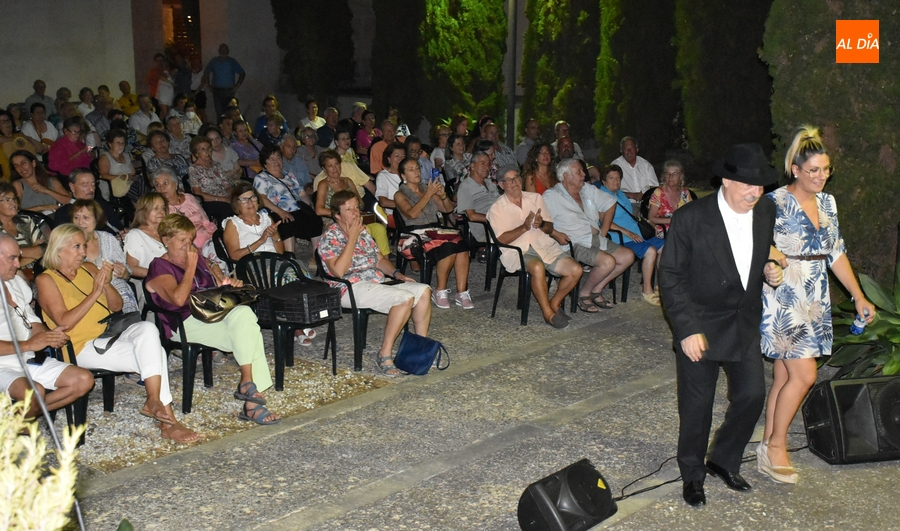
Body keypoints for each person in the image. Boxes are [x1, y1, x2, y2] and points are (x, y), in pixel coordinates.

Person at [658, 143, 784, 507]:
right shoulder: (691, 218)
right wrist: (686, 329)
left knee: (752, 396)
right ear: (726, 180)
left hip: (742, 322)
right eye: (747, 185)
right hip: (700, 324)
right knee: (697, 406)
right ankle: (692, 475)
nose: (755, 192)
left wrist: (769, 270)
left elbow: (754, 257)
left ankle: (723, 459)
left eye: (760, 185)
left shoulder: (765, 212)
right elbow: (670, 277)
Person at [758, 126, 876, 484]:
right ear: (795, 169)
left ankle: (766, 441)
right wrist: (771, 260)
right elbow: (754, 241)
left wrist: (857, 295)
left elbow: (835, 252)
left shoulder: (827, 202)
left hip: (815, 294)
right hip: (785, 293)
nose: (821, 176)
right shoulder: (773, 202)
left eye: (826, 170)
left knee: (784, 374)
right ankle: (776, 445)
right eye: (814, 170)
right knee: (805, 374)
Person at [37, 224, 199, 443]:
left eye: (84, 246)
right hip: (78, 346)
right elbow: (64, 322)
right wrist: (95, 292)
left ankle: (153, 401)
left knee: (147, 330)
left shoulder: (88, 268)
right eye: (76, 247)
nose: (83, 252)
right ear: (58, 249)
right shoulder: (46, 280)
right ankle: (167, 420)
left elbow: (116, 306)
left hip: (109, 334)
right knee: (155, 355)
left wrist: (106, 284)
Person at [145, 214, 280, 424]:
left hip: (211, 314)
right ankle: (251, 403)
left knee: (245, 316)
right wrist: (190, 266)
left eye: (190, 240)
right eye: (182, 240)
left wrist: (227, 285)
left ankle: (247, 382)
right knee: (249, 333)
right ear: (165, 240)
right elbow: (179, 300)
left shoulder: (197, 256)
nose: (187, 245)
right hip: (183, 323)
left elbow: (213, 288)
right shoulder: (159, 267)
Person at [319, 191, 432, 375]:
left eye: (356, 207)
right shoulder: (330, 236)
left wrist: (397, 274)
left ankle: (419, 352)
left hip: (375, 282)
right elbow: (338, 271)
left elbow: (379, 259)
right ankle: (384, 354)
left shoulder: (363, 232)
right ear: (337, 215)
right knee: (403, 299)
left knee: (424, 290)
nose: (356, 212)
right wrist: (352, 238)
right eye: (349, 209)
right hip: (348, 287)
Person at [0, 234, 93, 418]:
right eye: (12, 258)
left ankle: (13, 420)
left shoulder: (15, 282)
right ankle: (25, 432)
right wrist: (29, 345)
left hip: (27, 359)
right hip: (3, 364)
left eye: (18, 257)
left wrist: (49, 336)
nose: (18, 264)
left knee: (83, 380)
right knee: (34, 393)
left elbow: (32, 321)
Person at [487, 166, 583, 329]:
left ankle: (554, 303)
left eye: (516, 178)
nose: (514, 182)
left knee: (576, 270)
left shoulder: (535, 198)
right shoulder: (496, 209)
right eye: (509, 180)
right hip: (518, 250)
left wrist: (542, 224)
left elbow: (549, 227)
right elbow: (500, 239)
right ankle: (547, 313)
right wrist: (524, 227)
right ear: (501, 185)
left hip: (543, 246)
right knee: (537, 267)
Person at [543, 159, 635, 312]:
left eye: (582, 171)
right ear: (566, 176)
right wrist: (555, 233)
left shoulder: (587, 189)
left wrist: (604, 232)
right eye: (579, 171)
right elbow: (544, 224)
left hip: (593, 238)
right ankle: (583, 294)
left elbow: (610, 202)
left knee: (627, 256)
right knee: (607, 262)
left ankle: (595, 289)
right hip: (573, 242)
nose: (583, 174)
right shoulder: (551, 196)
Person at [394, 158, 473, 309]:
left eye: (417, 168)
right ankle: (440, 290)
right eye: (411, 169)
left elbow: (447, 209)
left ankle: (461, 292)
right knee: (449, 247)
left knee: (461, 245)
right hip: (413, 235)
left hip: (434, 231)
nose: (416, 171)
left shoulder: (426, 188)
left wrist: (443, 195)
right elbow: (412, 214)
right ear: (403, 176)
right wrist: (428, 195)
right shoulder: (399, 194)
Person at [596, 164, 665, 305]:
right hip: (619, 237)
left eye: (618, 178)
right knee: (650, 251)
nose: (616, 181)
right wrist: (627, 232)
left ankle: (661, 285)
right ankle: (647, 290)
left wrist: (645, 221)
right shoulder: (601, 196)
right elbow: (603, 222)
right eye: (611, 178)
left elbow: (630, 214)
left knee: (664, 246)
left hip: (636, 233)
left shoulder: (620, 194)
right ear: (604, 181)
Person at [70, 199, 139, 313]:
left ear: (96, 220)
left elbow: (126, 271)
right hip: (85, 291)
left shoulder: (107, 238)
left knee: (128, 317)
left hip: (116, 288)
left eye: (86, 218)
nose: (80, 222)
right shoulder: (68, 243)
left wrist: (124, 273)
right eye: (76, 217)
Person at [253, 144, 323, 255]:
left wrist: (310, 206)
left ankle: (316, 255)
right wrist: (281, 212)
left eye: (278, 158)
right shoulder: (261, 178)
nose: (276, 162)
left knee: (315, 220)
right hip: (276, 211)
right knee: (287, 223)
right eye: (271, 159)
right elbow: (262, 198)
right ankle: (290, 257)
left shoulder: (289, 175)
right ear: (264, 164)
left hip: (296, 209)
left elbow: (302, 193)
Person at [152, 168, 218, 262]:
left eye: (165, 183)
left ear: (175, 184)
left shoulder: (189, 198)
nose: (161, 188)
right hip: (187, 246)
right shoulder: (161, 209)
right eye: (157, 185)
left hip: (207, 239)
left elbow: (205, 221)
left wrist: (213, 237)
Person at [55, 169, 123, 233]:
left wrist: (123, 233)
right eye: (85, 185)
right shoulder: (64, 213)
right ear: (72, 187)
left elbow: (118, 227)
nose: (91, 189)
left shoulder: (103, 205)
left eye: (93, 184)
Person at [0, 182, 45, 270]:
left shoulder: (25, 220)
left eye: (14, 199)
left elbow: (45, 248)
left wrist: (16, 254)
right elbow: (5, 266)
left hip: (39, 270)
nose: (13, 203)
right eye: (7, 200)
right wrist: (32, 251)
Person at [456, 151, 500, 243]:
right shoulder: (465, 186)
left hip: (500, 224)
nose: (487, 167)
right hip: (486, 229)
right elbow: (472, 216)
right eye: (482, 163)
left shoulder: (490, 183)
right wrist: (496, 219)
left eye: (488, 164)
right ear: (472, 166)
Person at [187, 136, 232, 222]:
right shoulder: (194, 169)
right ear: (196, 153)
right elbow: (198, 192)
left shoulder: (216, 165)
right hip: (209, 201)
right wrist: (223, 199)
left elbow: (227, 186)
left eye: (208, 149)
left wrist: (231, 196)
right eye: (203, 149)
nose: (207, 152)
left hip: (225, 197)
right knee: (227, 209)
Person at [124, 192, 168, 278]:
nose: (161, 212)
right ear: (144, 211)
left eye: (163, 208)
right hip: (154, 283)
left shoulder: (169, 231)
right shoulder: (135, 235)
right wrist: (159, 274)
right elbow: (131, 268)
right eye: (155, 208)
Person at [648, 160, 693, 238]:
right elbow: (651, 218)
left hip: (683, 229)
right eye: (667, 174)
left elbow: (691, 214)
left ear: (681, 176)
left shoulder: (685, 193)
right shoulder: (659, 193)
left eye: (674, 174)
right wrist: (673, 220)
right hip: (664, 231)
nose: (670, 177)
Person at [612, 136, 658, 206]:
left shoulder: (646, 165)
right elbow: (610, 190)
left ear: (637, 149)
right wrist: (632, 195)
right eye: (626, 149)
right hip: (626, 204)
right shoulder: (615, 166)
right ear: (621, 151)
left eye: (632, 148)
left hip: (646, 204)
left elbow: (654, 188)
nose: (629, 151)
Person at [98, 128, 141, 201]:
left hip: (128, 183)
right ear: (110, 144)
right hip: (115, 186)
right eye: (118, 143)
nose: (120, 146)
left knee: (142, 182)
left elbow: (133, 173)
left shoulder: (126, 156)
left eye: (122, 143)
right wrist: (120, 177)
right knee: (138, 189)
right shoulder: (105, 157)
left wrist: (132, 177)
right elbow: (104, 175)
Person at [205, 44, 245, 119]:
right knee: (219, 112)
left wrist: (237, 85)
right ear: (219, 51)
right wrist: (208, 85)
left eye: (225, 49)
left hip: (229, 91)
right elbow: (206, 72)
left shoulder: (232, 61)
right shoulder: (214, 61)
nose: (223, 51)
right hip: (217, 91)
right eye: (222, 49)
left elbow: (242, 73)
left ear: (228, 51)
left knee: (230, 112)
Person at [374, 142, 406, 221]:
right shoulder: (383, 176)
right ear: (389, 159)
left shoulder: (409, 174)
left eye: (403, 156)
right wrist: (407, 206)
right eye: (396, 156)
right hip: (395, 215)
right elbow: (383, 202)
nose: (401, 159)